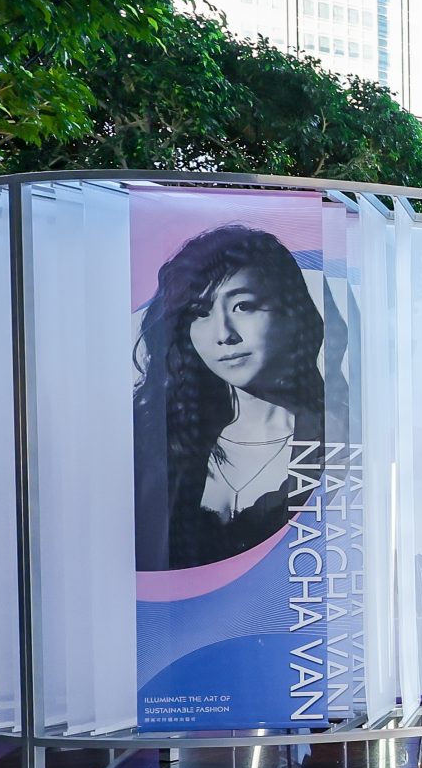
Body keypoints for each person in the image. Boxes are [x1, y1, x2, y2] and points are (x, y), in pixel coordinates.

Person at [133, 226, 328, 571]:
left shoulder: (339, 439)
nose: (223, 334)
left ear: (292, 313)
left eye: (243, 306)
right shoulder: (155, 437)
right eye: (200, 312)